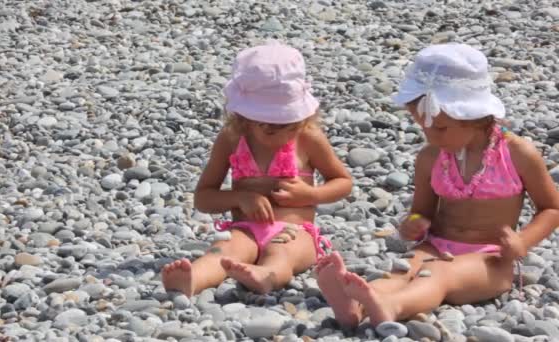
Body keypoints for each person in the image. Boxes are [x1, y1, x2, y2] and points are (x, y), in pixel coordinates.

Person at [316, 43, 559, 330]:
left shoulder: (517, 154)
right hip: (435, 245)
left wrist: (523, 242)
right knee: (402, 269)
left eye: (440, 128)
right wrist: (413, 225)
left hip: (490, 258)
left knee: (438, 275)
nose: (431, 136)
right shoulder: (431, 157)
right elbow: (421, 212)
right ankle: (355, 304)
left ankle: (392, 306)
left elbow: (551, 208)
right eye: (423, 127)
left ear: (475, 117)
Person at [162, 42, 353, 297]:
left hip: (295, 231)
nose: (272, 131)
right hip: (246, 229)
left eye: (283, 124)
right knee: (224, 249)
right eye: (263, 125)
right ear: (244, 117)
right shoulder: (232, 138)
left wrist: (310, 195)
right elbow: (204, 198)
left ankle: (267, 275)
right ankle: (193, 278)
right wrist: (240, 197)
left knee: (282, 252)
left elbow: (343, 181)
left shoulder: (307, 137)